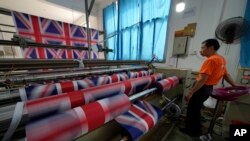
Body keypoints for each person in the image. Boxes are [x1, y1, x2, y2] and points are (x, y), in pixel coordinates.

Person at [180, 38, 237, 137]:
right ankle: (196, 130)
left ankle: (191, 131)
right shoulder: (221, 59)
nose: (201, 50)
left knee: (192, 110)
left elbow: (203, 79)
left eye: (203, 48)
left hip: (201, 88)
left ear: (211, 48)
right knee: (196, 109)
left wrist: (191, 92)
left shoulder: (210, 60)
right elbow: (226, 75)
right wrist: (235, 86)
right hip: (208, 89)